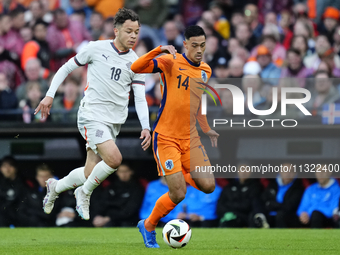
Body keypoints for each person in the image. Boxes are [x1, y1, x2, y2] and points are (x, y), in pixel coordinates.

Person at [35, 8, 151, 221]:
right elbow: (65, 68)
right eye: (128, 31)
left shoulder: (137, 63)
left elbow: (140, 97)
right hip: (91, 114)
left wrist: (146, 126)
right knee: (115, 159)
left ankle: (55, 186)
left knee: (91, 172)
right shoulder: (96, 48)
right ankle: (84, 192)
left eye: (136, 31)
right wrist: (50, 95)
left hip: (114, 121)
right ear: (116, 31)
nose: (133, 36)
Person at [131, 25, 219, 248]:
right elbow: (136, 66)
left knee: (209, 185)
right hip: (167, 138)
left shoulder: (205, 71)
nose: (199, 50)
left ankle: (180, 174)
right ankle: (149, 225)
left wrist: (206, 128)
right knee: (178, 193)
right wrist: (159, 49)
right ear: (185, 44)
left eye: (203, 45)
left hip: (191, 139)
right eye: (195, 45)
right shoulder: (170, 61)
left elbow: (197, 104)